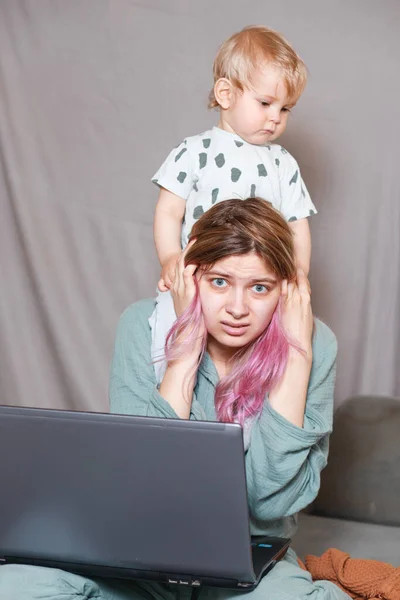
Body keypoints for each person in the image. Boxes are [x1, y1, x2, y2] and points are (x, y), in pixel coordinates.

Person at [0, 198, 349, 599]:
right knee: (15, 586)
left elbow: (271, 502)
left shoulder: (314, 343)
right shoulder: (142, 324)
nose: (237, 309)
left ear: (286, 288)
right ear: (190, 271)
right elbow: (139, 479)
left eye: (259, 288)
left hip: (248, 553)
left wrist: (297, 353)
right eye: (219, 282)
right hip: (140, 544)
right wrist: (185, 349)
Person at [151, 25, 317, 381]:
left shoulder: (283, 162)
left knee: (274, 353)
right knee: (169, 332)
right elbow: (169, 211)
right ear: (225, 94)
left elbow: (297, 223)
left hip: (258, 282)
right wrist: (168, 257)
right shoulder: (194, 151)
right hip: (198, 279)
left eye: (285, 108)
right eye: (265, 103)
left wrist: (298, 270)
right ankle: (165, 394)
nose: (276, 117)